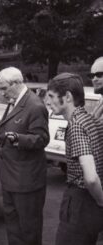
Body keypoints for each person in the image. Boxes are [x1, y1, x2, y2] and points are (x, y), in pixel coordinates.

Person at [0, 67, 50, 245]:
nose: (1, 93)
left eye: (3, 88)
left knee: (29, 231)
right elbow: (6, 130)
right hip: (11, 178)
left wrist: (19, 139)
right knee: (13, 228)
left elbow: (42, 139)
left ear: (17, 83)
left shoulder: (35, 105)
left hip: (27, 182)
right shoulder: (15, 101)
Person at [47, 72, 103, 245]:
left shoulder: (76, 126)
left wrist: (101, 201)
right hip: (90, 204)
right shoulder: (89, 119)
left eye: (51, 96)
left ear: (68, 97)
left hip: (80, 202)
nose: (47, 102)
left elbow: (91, 178)